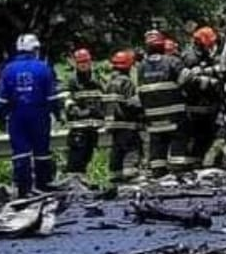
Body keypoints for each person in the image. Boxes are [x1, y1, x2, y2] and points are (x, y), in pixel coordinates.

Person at [0, 34, 62, 196]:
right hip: (39, 115)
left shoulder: (8, 69)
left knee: (21, 152)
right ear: (34, 49)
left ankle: (23, 189)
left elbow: (2, 100)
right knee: (42, 151)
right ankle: (43, 185)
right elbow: (52, 98)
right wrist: (59, 116)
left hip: (17, 116)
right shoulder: (43, 68)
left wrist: (1, 120)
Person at [137, 30, 186, 177]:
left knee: (157, 142)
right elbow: (187, 80)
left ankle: (158, 171)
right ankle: (178, 171)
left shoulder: (141, 67)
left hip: (153, 116)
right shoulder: (172, 61)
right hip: (175, 114)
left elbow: (141, 90)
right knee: (179, 138)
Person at [179, 27, 224, 170]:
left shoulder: (203, 54)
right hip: (195, 103)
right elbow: (188, 80)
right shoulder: (190, 56)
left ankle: (198, 162)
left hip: (205, 104)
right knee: (196, 134)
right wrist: (210, 82)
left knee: (206, 134)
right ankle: (192, 163)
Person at [62, 48, 106, 177]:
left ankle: (81, 185)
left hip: (93, 128)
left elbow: (105, 97)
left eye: (85, 61)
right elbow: (65, 98)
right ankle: (73, 184)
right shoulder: (72, 80)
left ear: (90, 61)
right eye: (80, 62)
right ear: (75, 63)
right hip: (78, 128)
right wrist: (73, 109)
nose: (83, 65)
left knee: (87, 159)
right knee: (76, 161)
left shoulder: (97, 79)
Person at [104, 50, 142, 183]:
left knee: (117, 150)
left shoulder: (109, 83)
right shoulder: (126, 82)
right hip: (127, 124)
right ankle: (130, 174)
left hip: (113, 125)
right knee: (132, 148)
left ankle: (115, 176)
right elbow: (132, 105)